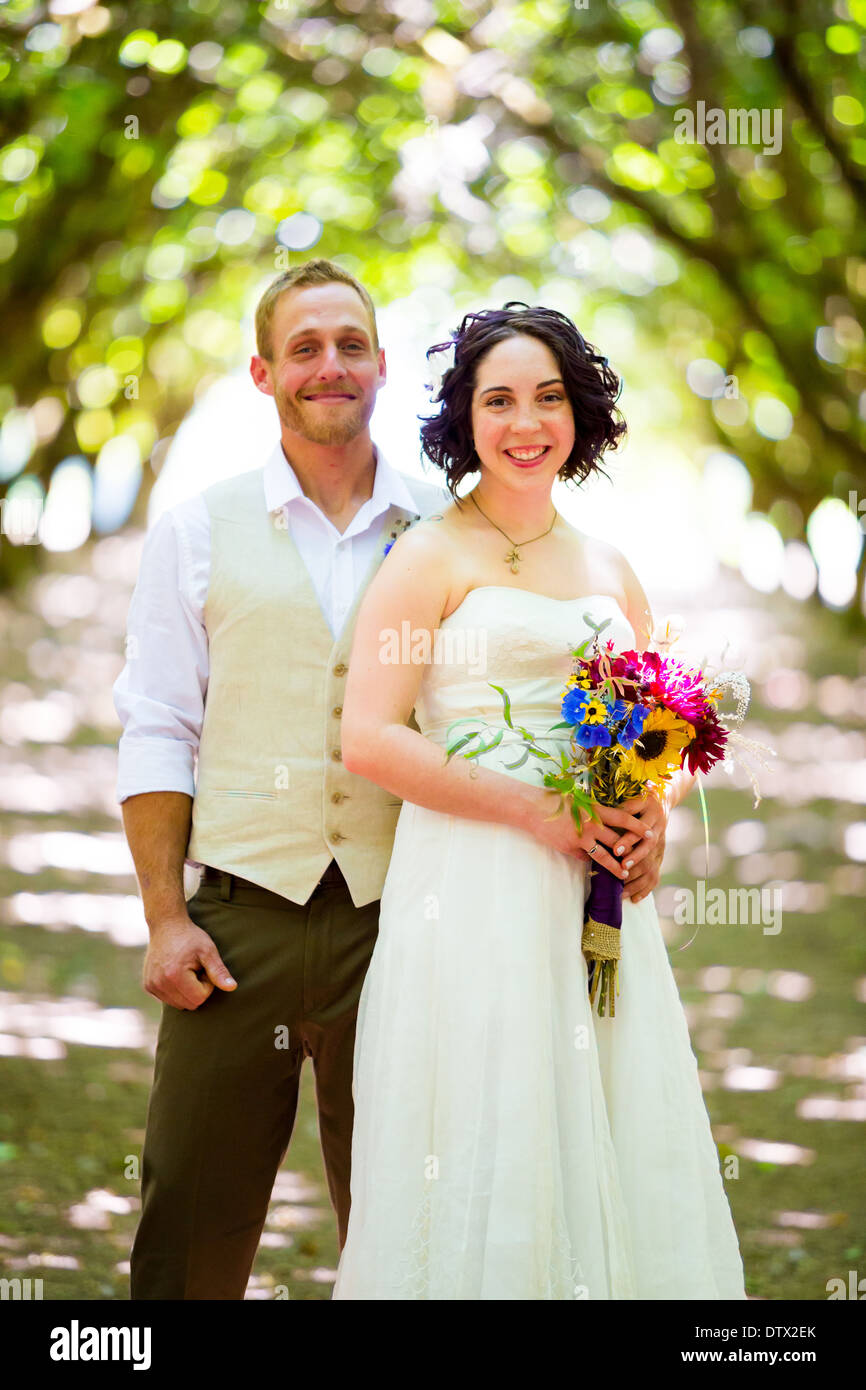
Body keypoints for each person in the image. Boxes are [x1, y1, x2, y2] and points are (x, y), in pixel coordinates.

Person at [332, 303, 747, 1299]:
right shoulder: (428, 555)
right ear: (463, 420)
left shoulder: (609, 565)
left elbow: (659, 732)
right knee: (492, 1109)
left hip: (593, 895)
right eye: (499, 400)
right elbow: (369, 736)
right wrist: (532, 811)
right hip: (468, 885)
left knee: (604, 1116)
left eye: (548, 397)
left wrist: (646, 821)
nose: (526, 423)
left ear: (580, 411)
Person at [114, 258, 452, 1299]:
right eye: (303, 346)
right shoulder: (194, 530)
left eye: (349, 343)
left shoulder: (448, 529)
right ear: (262, 374)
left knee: (407, 1222)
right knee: (190, 1226)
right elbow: (158, 726)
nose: (328, 364)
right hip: (235, 921)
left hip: (401, 920)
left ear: (382, 366)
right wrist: (166, 918)